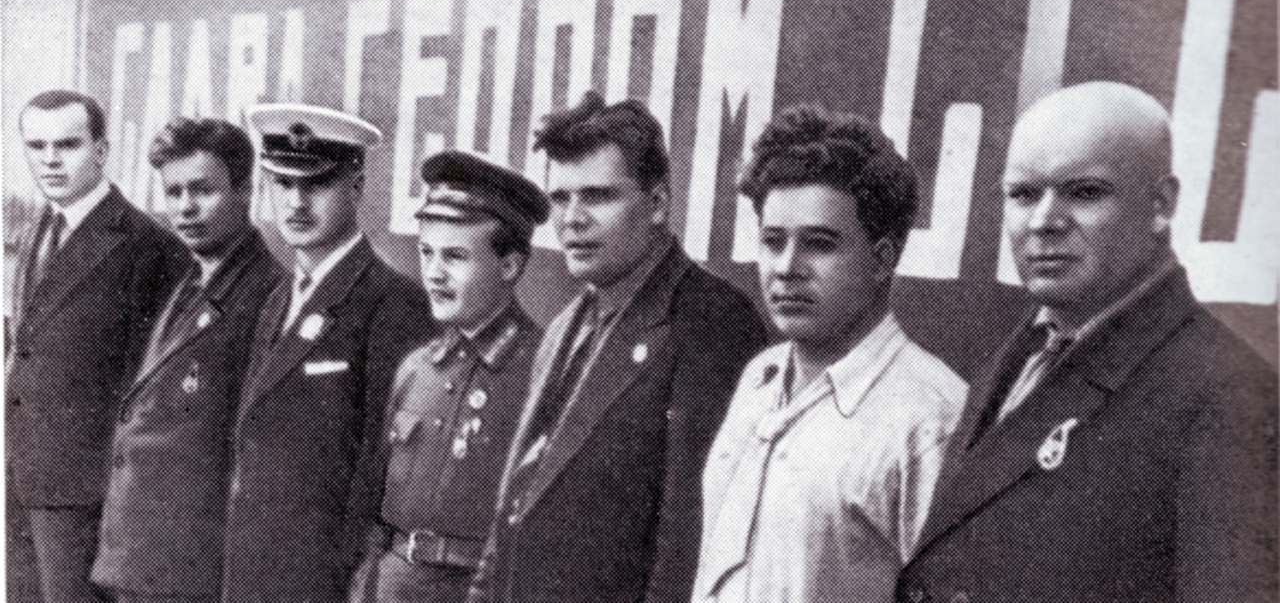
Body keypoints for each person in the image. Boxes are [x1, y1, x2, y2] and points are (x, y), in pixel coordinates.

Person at [897, 81, 1279, 603]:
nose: (1043, 222)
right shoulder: (1028, 348)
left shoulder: (1229, 393)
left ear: (1161, 204)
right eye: (1023, 194)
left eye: (1084, 193)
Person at [468, 91, 768, 603]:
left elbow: (687, 545)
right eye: (560, 199)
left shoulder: (711, 322)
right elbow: (514, 507)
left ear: (657, 204)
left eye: (598, 197)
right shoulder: (565, 324)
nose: (572, 219)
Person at [691, 104, 968, 603]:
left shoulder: (931, 419)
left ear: (882, 259)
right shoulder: (761, 375)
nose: (786, 268)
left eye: (819, 244)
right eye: (773, 242)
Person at [222, 104, 433, 601]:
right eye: (283, 183)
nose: (296, 202)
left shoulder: (392, 302)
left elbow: (382, 466)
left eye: (316, 184)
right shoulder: (280, 297)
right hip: (253, 565)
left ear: (356, 188)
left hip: (323, 576)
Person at [88, 117, 282, 602]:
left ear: (246, 191)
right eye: (173, 192)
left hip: (193, 568)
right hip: (142, 557)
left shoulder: (269, 296)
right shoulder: (191, 282)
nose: (185, 208)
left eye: (203, 190)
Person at [6, 89, 187, 601]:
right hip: (24, 476)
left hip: (92, 495)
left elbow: (160, 386)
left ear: (102, 151)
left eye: (67, 145)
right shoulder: (40, 228)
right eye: (37, 146)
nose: (50, 160)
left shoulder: (148, 246)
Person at [349, 150, 551, 602]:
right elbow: (376, 510)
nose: (434, 274)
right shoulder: (417, 368)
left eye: (455, 257)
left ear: (510, 265)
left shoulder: (544, 373)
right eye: (427, 253)